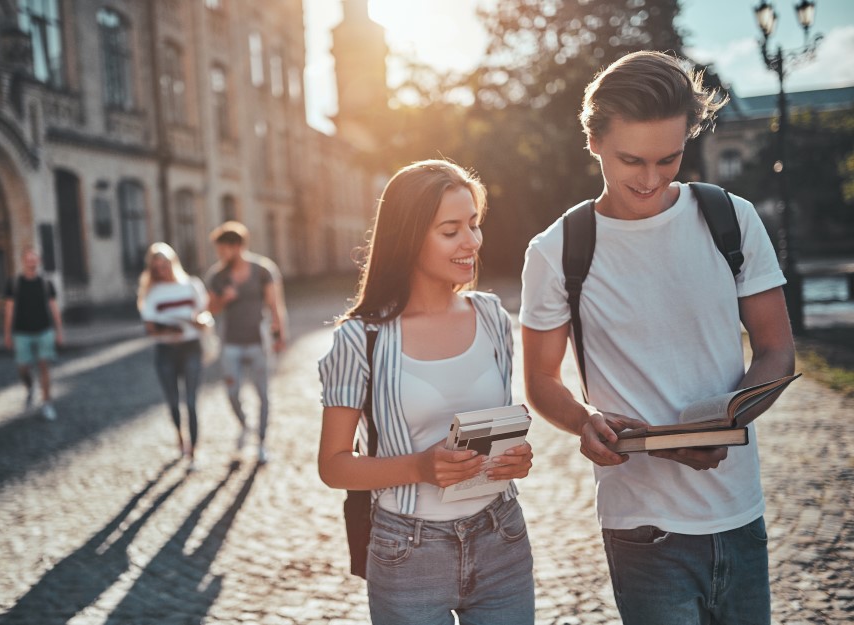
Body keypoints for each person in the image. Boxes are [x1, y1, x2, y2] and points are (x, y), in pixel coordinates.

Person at [520, 51, 795, 625]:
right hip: (640, 525)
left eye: (668, 159)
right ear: (593, 140)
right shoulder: (556, 251)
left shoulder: (731, 219)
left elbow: (775, 349)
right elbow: (542, 380)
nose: (649, 180)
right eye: (631, 160)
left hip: (739, 512)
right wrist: (582, 422)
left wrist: (730, 420)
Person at [318, 160, 535, 624]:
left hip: (503, 537)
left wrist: (516, 459)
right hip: (407, 552)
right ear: (409, 237)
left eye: (474, 225)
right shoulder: (361, 338)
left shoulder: (494, 317)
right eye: (451, 230)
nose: (472, 242)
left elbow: (500, 426)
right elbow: (333, 466)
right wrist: (420, 466)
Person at [205, 221, 288, 464]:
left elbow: (275, 305)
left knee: (263, 393)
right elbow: (210, 309)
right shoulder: (217, 276)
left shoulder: (263, 270)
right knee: (232, 392)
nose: (220, 255)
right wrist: (223, 299)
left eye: (223, 250)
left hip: (257, 342)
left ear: (238, 246)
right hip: (230, 343)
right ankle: (244, 425)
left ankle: (261, 443)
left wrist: (280, 334)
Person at [138, 242, 211, 468]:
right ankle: (180, 436)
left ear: (173, 262)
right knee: (172, 401)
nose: (163, 270)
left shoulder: (191, 285)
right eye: (157, 267)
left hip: (191, 347)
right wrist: (170, 329)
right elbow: (150, 327)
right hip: (165, 351)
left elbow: (205, 314)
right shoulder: (152, 292)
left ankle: (194, 450)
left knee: (190, 400)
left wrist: (198, 321)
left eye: (165, 264)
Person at [4, 246, 65, 421]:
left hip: (44, 330)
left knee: (44, 366)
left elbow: (54, 308)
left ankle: (47, 403)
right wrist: (7, 334)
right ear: (23, 261)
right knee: (23, 367)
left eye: (34, 259)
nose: (31, 263)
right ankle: (30, 386)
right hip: (22, 332)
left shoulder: (46, 283)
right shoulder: (14, 283)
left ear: (38, 261)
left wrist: (59, 331)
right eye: (28, 259)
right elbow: (9, 310)